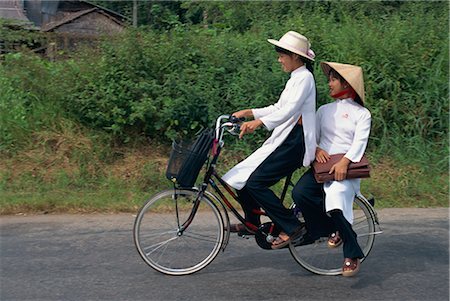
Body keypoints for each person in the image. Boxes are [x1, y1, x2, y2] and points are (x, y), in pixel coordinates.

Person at [222, 31, 317, 249]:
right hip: (286, 138)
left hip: (296, 143)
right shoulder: (296, 78)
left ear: (295, 56)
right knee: (241, 176)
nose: (279, 59)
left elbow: (290, 110)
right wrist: (248, 112)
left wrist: (258, 124)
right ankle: (252, 222)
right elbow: (279, 108)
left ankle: (292, 227)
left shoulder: (305, 78)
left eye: (282, 54)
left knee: (256, 183)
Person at [292, 61, 371, 276]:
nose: (329, 83)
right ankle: (328, 229)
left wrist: (345, 162)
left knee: (336, 196)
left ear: (347, 84)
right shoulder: (323, 110)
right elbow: (312, 137)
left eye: (333, 79)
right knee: (299, 192)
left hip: (347, 169)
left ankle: (351, 254)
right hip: (322, 168)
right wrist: (316, 148)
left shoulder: (362, 114)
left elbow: (359, 142)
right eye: (330, 79)